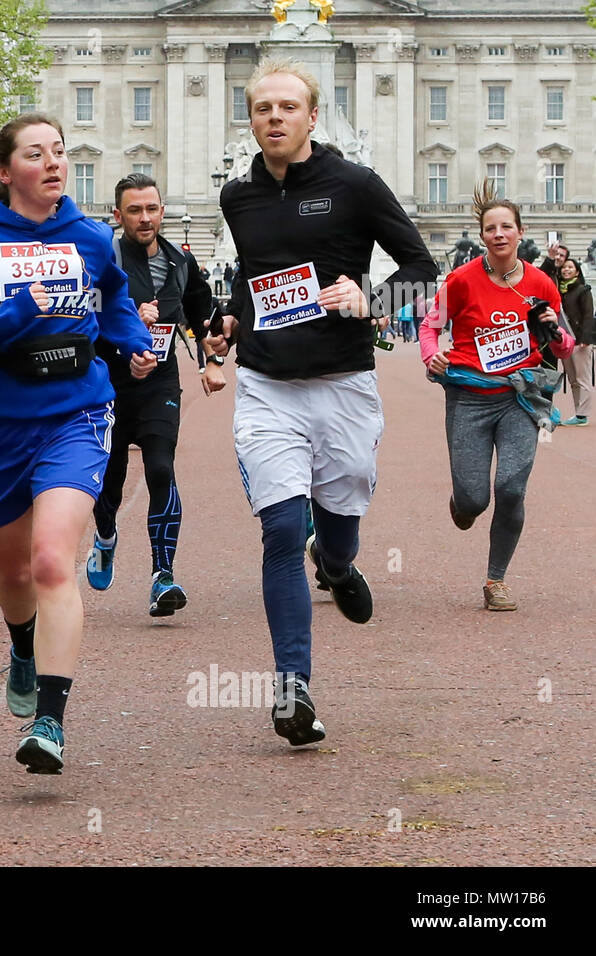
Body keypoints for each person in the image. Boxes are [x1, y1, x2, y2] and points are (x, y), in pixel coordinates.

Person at [207, 58, 437, 747]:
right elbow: (250, 278)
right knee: (279, 530)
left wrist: (373, 302)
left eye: (287, 107)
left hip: (343, 386)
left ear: (312, 115)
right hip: (268, 386)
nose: (273, 118)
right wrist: (230, 321)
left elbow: (423, 268)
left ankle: (335, 563)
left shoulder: (356, 184)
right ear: (250, 119)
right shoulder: (236, 197)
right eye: (261, 108)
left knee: (339, 518)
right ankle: (293, 687)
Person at [0, 114, 157, 774]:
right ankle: (22, 644)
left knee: (54, 562)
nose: (54, 163)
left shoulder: (88, 236)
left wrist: (133, 344)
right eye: (36, 154)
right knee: (15, 571)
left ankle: (50, 719)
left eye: (59, 152)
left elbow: (113, 297)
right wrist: (14, 316)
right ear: (5, 172)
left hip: (76, 412)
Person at [421, 182, 574, 611]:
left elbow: (565, 345)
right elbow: (429, 326)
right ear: (483, 235)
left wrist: (553, 328)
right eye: (491, 228)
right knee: (474, 499)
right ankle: (462, 502)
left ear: (520, 232)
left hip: (519, 398)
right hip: (468, 396)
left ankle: (496, 580)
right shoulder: (461, 280)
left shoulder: (542, 283)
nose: (499, 234)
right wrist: (433, 357)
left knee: (510, 487)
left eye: (507, 226)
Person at [86, 172, 221, 618]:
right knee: (113, 477)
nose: (145, 218)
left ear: (162, 210)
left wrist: (213, 356)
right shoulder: (102, 258)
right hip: (109, 381)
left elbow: (204, 314)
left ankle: (163, 574)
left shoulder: (181, 260)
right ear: (118, 215)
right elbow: (81, 315)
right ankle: (105, 537)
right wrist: (125, 321)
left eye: (152, 209)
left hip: (160, 379)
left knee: (161, 466)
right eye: (135, 210)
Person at [555, 259, 593, 426]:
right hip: (566, 341)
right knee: (573, 379)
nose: (566, 270)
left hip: (580, 341)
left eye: (570, 267)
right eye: (564, 267)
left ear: (577, 272)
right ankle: (578, 413)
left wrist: (585, 337)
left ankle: (582, 414)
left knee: (583, 378)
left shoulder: (583, 290)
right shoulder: (560, 291)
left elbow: (588, 315)